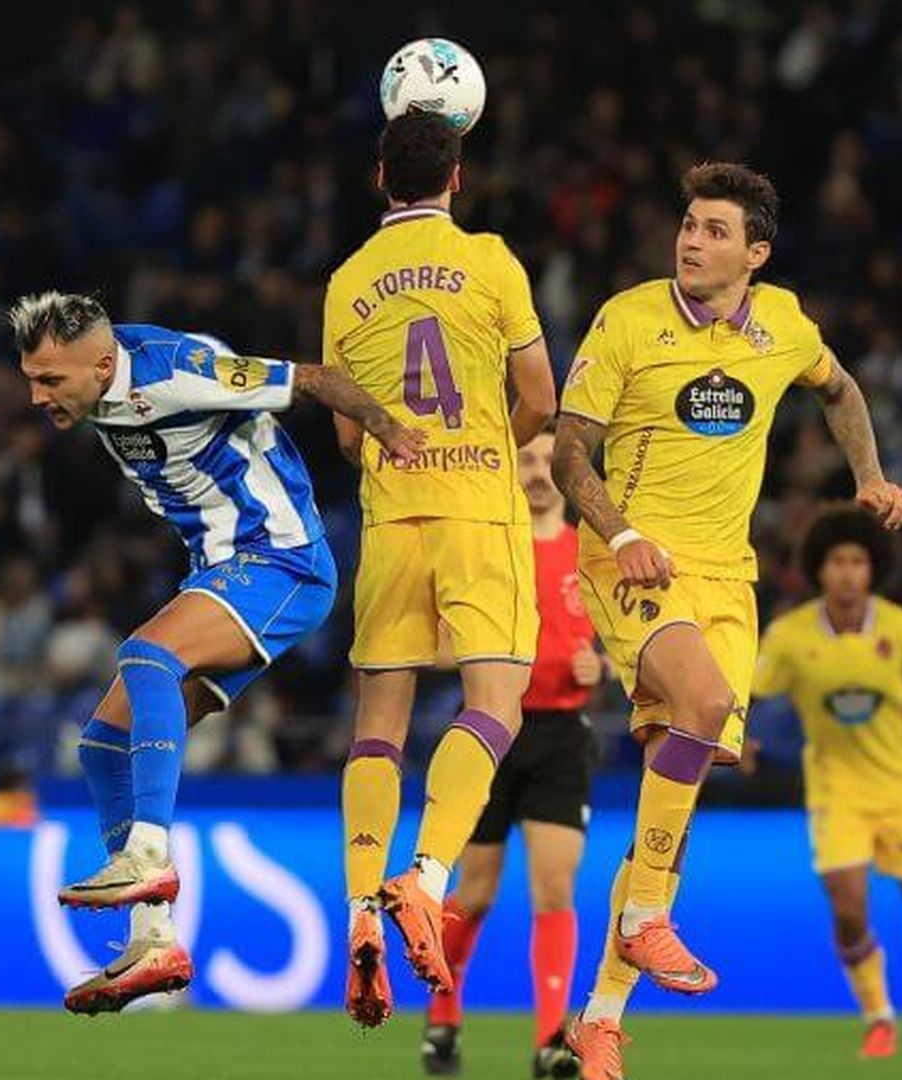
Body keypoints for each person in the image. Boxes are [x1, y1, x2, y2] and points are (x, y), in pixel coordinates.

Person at [552, 162, 902, 1080]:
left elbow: (839, 389)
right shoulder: (628, 319)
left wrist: (869, 477)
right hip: (631, 559)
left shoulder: (783, 323)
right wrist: (622, 534)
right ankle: (644, 921)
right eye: (689, 224)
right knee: (705, 705)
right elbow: (568, 452)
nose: (692, 240)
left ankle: (600, 1020)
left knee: (672, 809)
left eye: (715, 230)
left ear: (756, 254)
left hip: (727, 579)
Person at [8, 291, 423, 1015]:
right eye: (31, 379)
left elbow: (315, 379)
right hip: (222, 570)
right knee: (102, 746)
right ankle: (153, 940)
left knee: (147, 656)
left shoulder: (177, 370)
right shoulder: (98, 384)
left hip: (282, 562)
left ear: (101, 365)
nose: (37, 396)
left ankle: (146, 854)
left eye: (50, 380)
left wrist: (390, 430)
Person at [321, 109, 558, 1026]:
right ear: (457, 176)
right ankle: (424, 877)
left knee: (378, 727)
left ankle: (359, 905)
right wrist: (493, 445)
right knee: (494, 704)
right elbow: (538, 397)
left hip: (392, 519)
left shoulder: (348, 281)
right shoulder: (491, 261)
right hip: (476, 513)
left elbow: (348, 436)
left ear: (382, 176)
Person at [751, 505, 902, 1059]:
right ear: (819, 569)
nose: (848, 573)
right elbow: (748, 690)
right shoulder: (789, 636)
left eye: (858, 561)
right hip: (836, 790)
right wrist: (740, 737)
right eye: (837, 562)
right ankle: (879, 1016)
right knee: (849, 911)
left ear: (874, 567)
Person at [420, 428, 600, 1079]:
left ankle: (551, 1038)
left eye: (550, 460)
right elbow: (440, 646)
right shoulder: (488, 550)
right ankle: (443, 1015)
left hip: (561, 737)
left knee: (554, 888)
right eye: (527, 459)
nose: (539, 472)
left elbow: (626, 643)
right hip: (491, 728)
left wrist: (602, 666)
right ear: (509, 469)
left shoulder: (592, 553)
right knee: (474, 890)